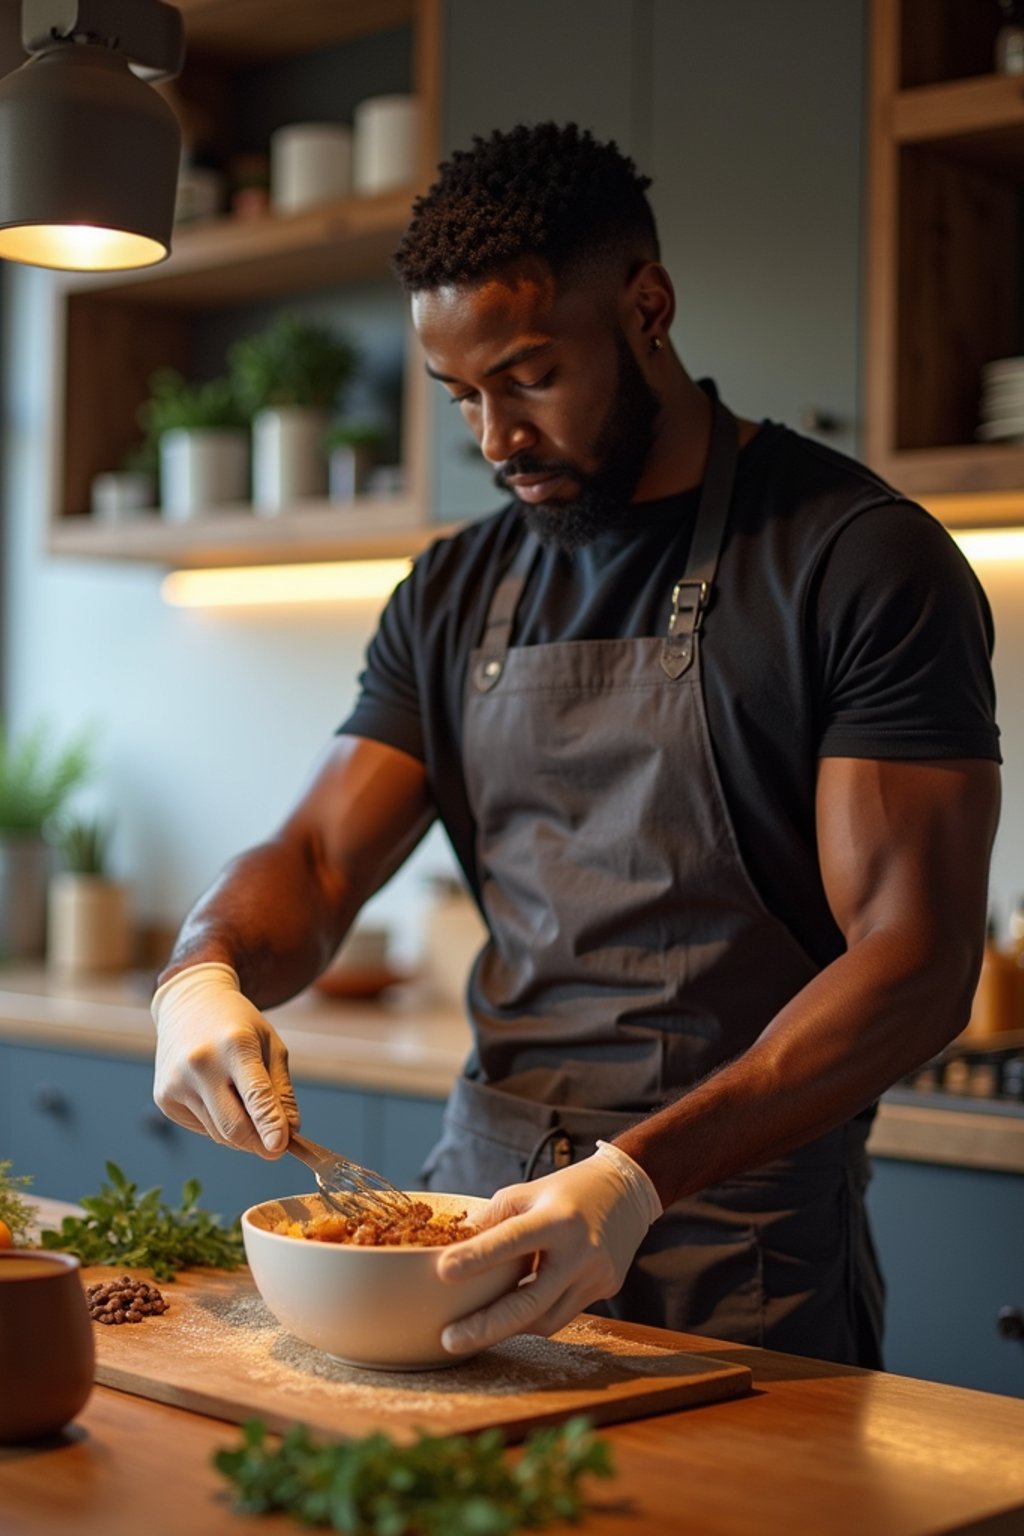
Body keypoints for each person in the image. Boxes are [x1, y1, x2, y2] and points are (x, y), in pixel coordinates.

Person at [152, 122, 1001, 1369]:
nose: (495, 440)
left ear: (647, 307)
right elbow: (321, 863)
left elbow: (917, 961)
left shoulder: (855, 558)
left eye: (530, 376)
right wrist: (201, 967)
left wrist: (634, 1179)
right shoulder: (453, 588)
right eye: (462, 399)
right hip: (466, 1216)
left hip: (735, 1234)